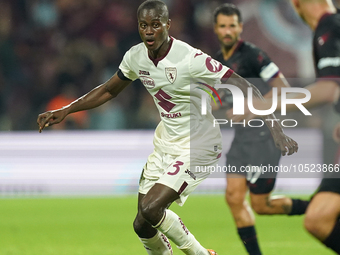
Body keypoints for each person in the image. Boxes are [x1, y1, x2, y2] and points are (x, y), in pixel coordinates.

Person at [37, 1, 298, 254]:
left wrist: (276, 129)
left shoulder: (191, 58)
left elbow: (245, 85)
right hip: (166, 143)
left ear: (167, 25)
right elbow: (108, 90)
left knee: (151, 210)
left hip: (198, 145)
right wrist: (66, 109)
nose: (149, 31)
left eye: (155, 24)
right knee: (142, 223)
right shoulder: (135, 57)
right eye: (143, 25)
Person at [240, 0, 340, 253]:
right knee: (321, 216)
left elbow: (328, 90)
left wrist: (267, 105)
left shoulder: (330, 27)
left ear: (297, 4)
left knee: (319, 218)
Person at [211, 4, 310, 255]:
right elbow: (218, 99)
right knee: (233, 197)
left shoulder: (254, 56)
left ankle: (318, 207)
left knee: (261, 206)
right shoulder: (215, 62)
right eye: (222, 25)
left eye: (232, 25)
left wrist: (254, 108)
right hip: (242, 138)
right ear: (216, 29)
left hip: (265, 137)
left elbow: (284, 89)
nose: (227, 30)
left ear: (240, 27)